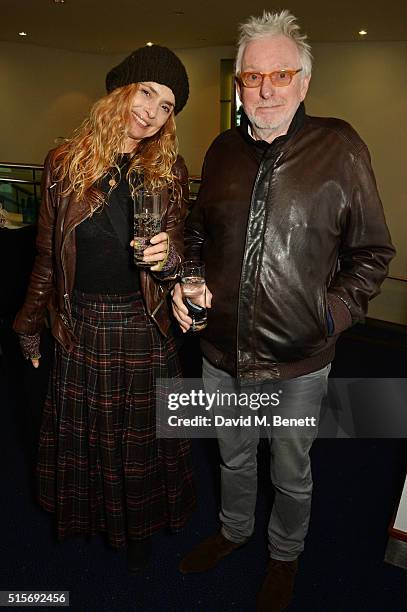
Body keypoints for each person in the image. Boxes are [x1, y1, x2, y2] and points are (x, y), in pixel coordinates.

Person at [172, 10, 395, 611]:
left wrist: (331, 315)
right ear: (240, 83)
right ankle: (235, 531)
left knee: (290, 473)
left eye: (281, 74)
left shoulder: (340, 145)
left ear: (303, 82)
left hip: (299, 361)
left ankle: (284, 555)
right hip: (221, 353)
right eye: (252, 76)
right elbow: (196, 235)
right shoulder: (220, 150)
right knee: (233, 456)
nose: (265, 88)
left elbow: (373, 251)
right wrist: (190, 278)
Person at [14, 44, 195, 572]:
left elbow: (181, 248)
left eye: (166, 106)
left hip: (143, 325)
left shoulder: (170, 170)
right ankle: (93, 518)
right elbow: (47, 255)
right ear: (121, 90)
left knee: (139, 441)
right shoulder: (64, 164)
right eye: (147, 92)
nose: (153, 111)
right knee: (89, 435)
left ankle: (137, 527)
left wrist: (170, 257)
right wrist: (28, 323)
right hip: (82, 324)